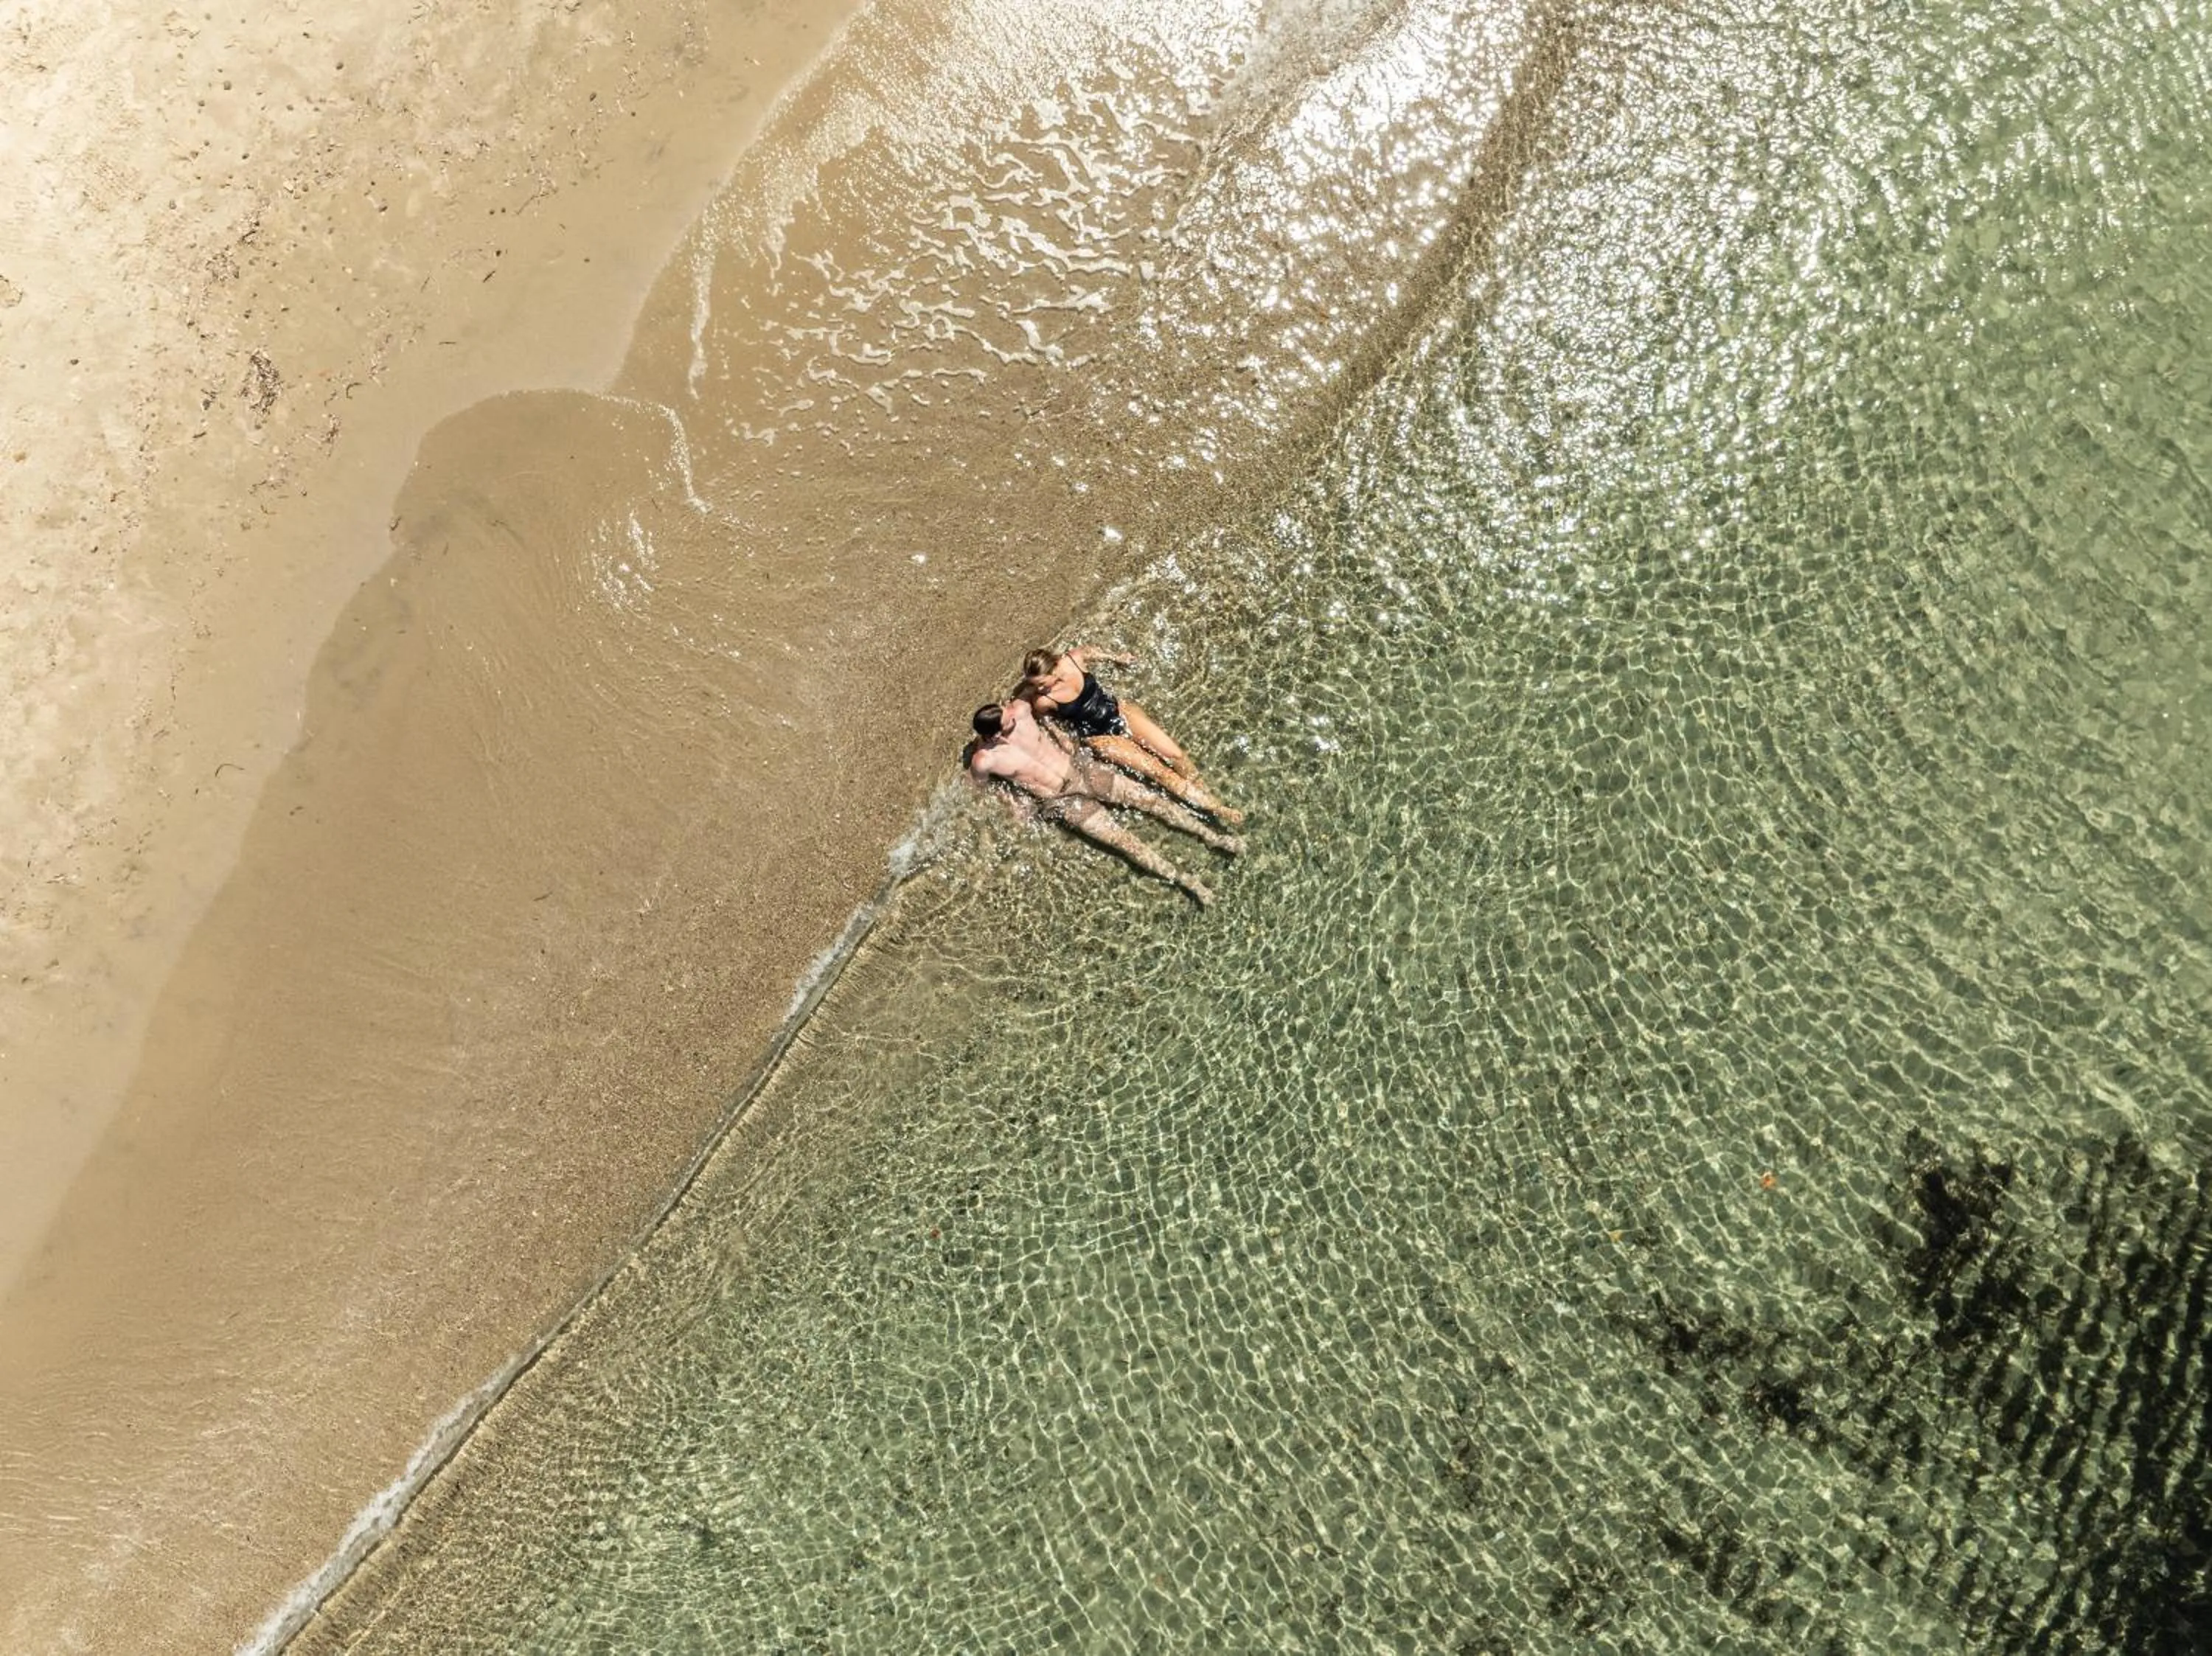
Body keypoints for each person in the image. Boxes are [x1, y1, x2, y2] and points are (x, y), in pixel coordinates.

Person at [965, 698, 1239, 906]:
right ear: (993, 736)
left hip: (1084, 770)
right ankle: (1186, 881)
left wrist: (1060, 733)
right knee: (1124, 842)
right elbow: (982, 787)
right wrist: (1015, 802)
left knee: (1152, 801)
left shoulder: (1021, 712)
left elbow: (1040, 707)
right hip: (1062, 801)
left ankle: (1211, 836)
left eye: (1008, 713)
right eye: (1005, 723)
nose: (1011, 718)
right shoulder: (986, 759)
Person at [1018, 645, 1242, 824]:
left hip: (1120, 711)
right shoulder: (1043, 700)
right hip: (1101, 737)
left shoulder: (1074, 659)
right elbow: (1045, 719)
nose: (1038, 688)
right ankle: (1218, 809)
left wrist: (1117, 657)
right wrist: (1063, 740)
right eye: (1032, 685)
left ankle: (1206, 795)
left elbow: (1091, 651)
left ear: (1054, 667)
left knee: (1175, 755)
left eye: (1040, 683)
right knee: (1159, 772)